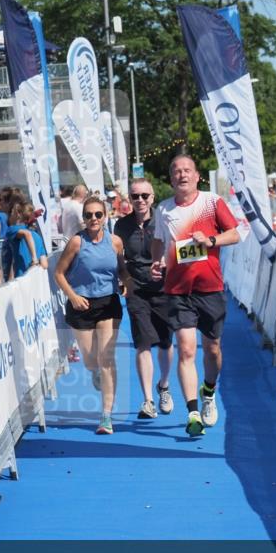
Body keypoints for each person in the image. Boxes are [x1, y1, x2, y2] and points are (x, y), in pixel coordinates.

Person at [150, 155, 240, 437]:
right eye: (176, 171)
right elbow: (157, 242)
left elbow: (235, 234)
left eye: (187, 170)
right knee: (186, 349)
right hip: (178, 290)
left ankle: (209, 393)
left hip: (210, 288)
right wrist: (157, 263)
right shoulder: (163, 210)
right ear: (171, 178)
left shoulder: (212, 202)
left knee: (212, 349)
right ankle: (192, 413)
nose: (182, 175)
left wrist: (211, 240)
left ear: (197, 175)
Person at [55, 196, 133, 435]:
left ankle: (106, 416)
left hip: (108, 302)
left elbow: (121, 269)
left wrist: (127, 282)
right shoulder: (77, 243)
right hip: (81, 304)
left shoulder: (115, 242)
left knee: (107, 357)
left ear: (105, 216)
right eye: (88, 215)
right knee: (91, 361)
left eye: (98, 214)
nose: (93, 219)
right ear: (84, 218)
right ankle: (95, 372)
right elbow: (59, 273)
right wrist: (73, 297)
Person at [115, 178, 174, 419]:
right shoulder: (121, 225)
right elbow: (119, 257)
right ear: (129, 199)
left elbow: (175, 250)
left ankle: (164, 386)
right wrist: (123, 278)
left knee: (165, 343)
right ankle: (148, 400)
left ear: (152, 198)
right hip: (136, 289)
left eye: (144, 196)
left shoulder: (164, 221)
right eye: (135, 196)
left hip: (163, 287)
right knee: (143, 342)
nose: (140, 200)